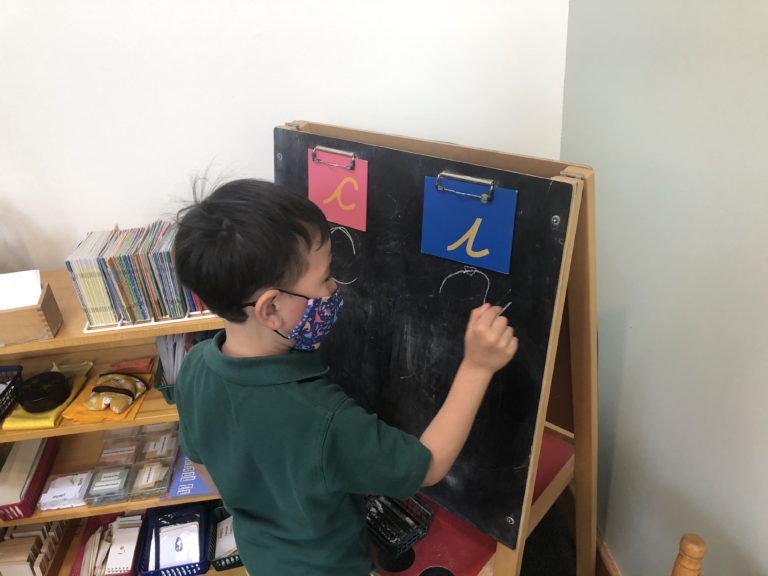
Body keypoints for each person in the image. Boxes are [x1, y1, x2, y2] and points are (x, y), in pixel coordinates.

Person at [172, 178, 518, 576]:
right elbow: (429, 465)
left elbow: (201, 464)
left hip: (262, 558)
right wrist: (477, 366)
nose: (335, 287)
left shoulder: (196, 365)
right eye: (324, 279)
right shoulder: (323, 419)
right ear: (271, 310)